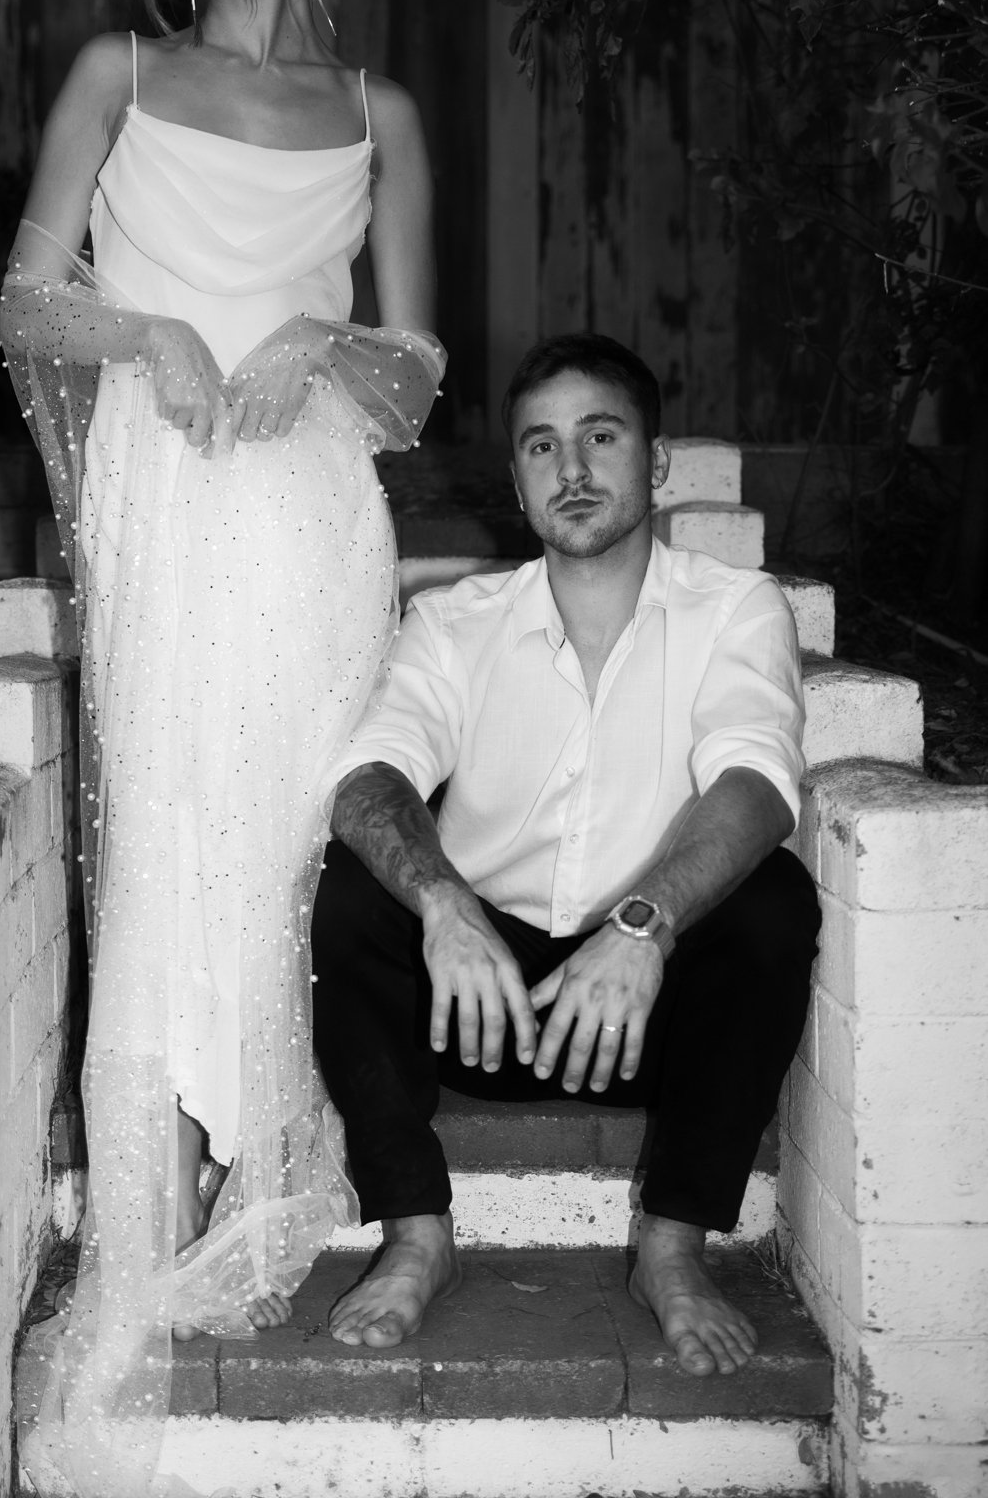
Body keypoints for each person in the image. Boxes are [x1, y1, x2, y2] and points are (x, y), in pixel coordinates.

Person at [0, 0, 443, 1496]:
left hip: (315, 513)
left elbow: (416, 370)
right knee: (170, 844)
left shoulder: (383, 110)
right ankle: (145, 1233)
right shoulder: (118, 76)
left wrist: (314, 350)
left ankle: (265, 1213)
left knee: (278, 854)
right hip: (167, 502)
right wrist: (153, 340)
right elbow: (29, 293)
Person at [311, 332, 820, 1379]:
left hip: (642, 1008)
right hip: (480, 1003)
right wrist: (443, 902)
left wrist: (645, 921)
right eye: (542, 447)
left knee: (774, 899)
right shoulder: (455, 622)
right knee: (357, 886)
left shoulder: (735, 607)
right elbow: (370, 777)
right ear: (515, 477)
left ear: (658, 460)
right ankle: (417, 1230)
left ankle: (672, 1248)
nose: (573, 469)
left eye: (600, 435)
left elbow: (759, 783)